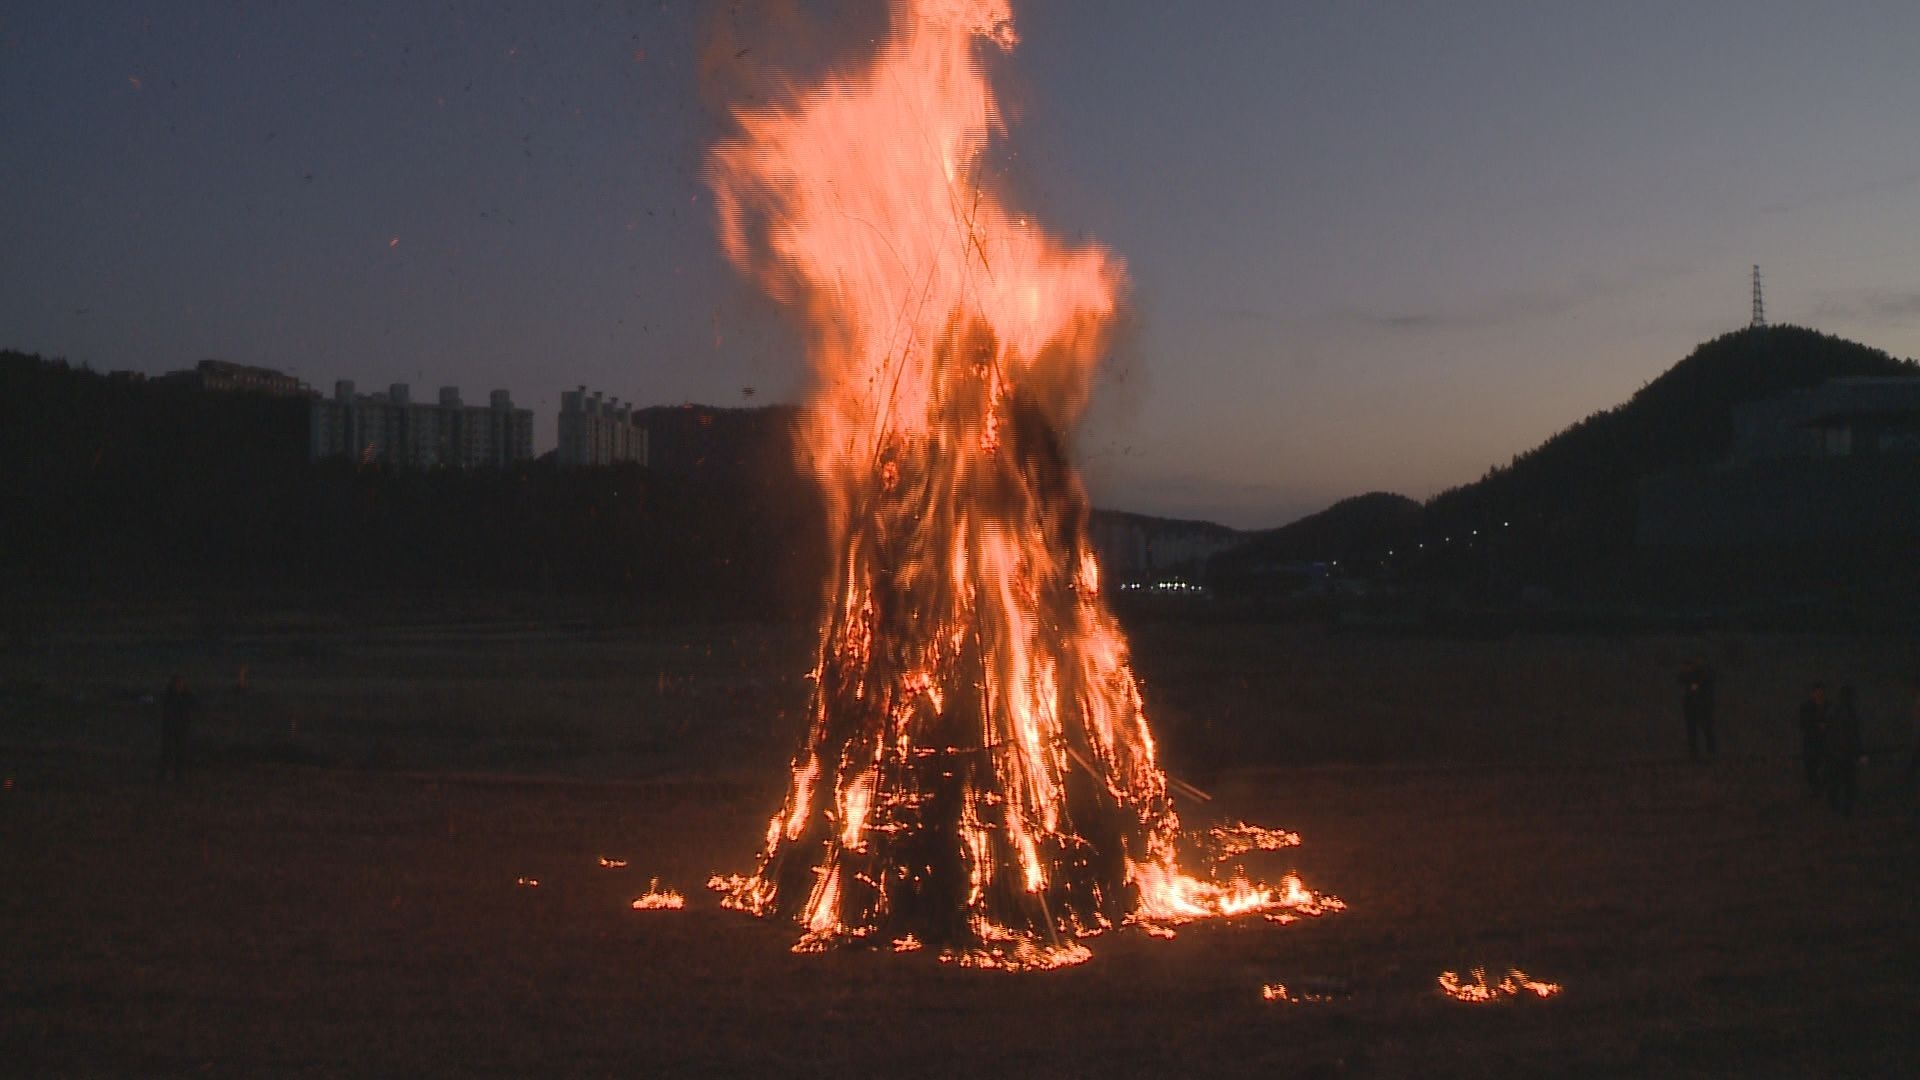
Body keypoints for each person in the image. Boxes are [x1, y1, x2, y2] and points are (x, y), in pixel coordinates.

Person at [1826, 684, 1862, 817]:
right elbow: (1852, 734)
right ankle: (1842, 807)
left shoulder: (1835, 711)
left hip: (1840, 752)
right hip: (1841, 752)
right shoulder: (1845, 712)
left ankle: (1842, 807)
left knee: (1843, 782)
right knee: (1845, 782)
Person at [1679, 656, 1718, 761]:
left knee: (1706, 727)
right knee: (1692, 729)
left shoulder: (1704, 674)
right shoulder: (1688, 676)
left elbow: (1706, 685)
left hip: (1702, 705)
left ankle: (1711, 751)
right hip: (1691, 706)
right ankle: (1694, 752)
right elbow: (1682, 681)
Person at [159, 674, 194, 781]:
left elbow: (194, 706)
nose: (179, 685)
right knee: (168, 752)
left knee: (182, 751)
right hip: (170, 727)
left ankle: (179, 773)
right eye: (177, 683)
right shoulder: (169, 696)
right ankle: (166, 773)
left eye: (180, 683)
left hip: (182, 727)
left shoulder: (186, 696)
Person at [1797, 683, 1828, 795]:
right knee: (1810, 768)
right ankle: (1816, 789)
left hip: (1826, 742)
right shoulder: (1806, 707)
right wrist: (1816, 726)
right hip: (1811, 742)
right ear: (1813, 693)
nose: (1819, 695)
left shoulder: (1830, 707)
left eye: (1821, 692)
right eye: (1817, 692)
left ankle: (1823, 788)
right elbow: (1803, 724)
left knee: (1828, 766)